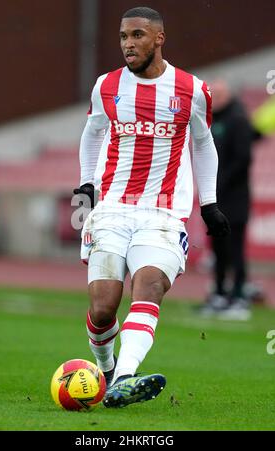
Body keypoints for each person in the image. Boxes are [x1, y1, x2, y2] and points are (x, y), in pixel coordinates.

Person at [74, 6, 230, 408]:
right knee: (104, 306)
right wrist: (86, 182)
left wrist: (209, 203)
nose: (128, 44)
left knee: (149, 285)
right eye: (124, 36)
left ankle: (124, 378)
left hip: (163, 213)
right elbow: (91, 133)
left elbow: (203, 143)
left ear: (159, 38)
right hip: (111, 209)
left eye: (138, 35)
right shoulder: (106, 86)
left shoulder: (191, 89)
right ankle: (107, 370)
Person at [200, 79, 253, 320]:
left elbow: (243, 159)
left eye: (218, 94)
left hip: (235, 198)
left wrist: (219, 184)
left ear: (228, 95)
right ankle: (220, 293)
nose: (215, 99)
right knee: (218, 248)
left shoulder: (239, 119)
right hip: (215, 199)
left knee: (235, 248)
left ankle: (239, 296)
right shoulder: (211, 121)